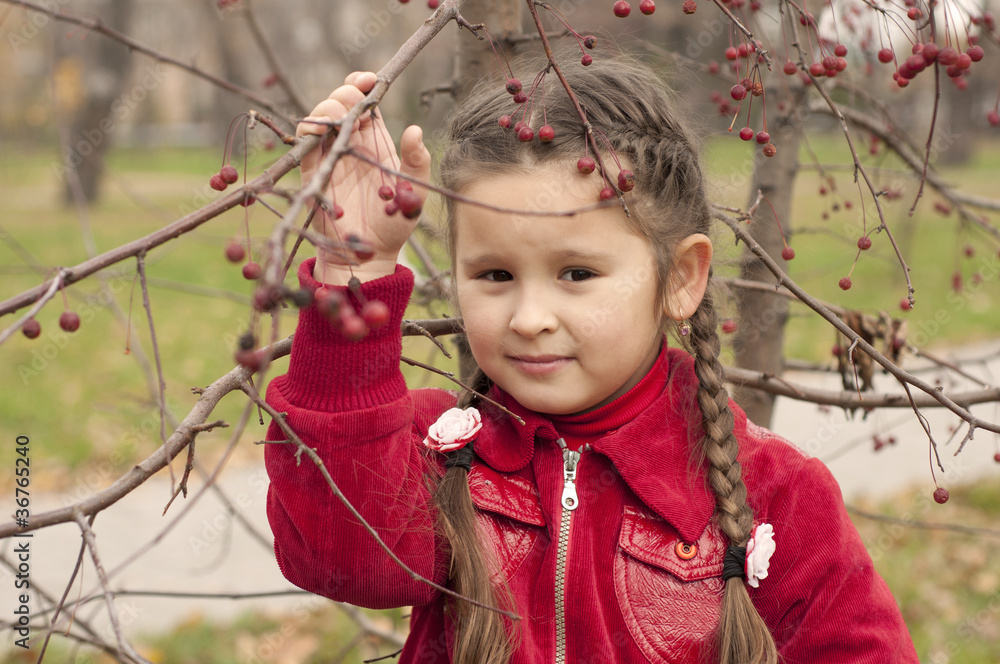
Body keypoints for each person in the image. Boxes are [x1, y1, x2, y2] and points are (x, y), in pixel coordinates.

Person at [263, 53, 919, 664]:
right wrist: (354, 269)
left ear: (681, 279)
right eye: (494, 275)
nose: (529, 318)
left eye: (576, 273)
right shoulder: (438, 454)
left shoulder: (774, 491)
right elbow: (344, 558)